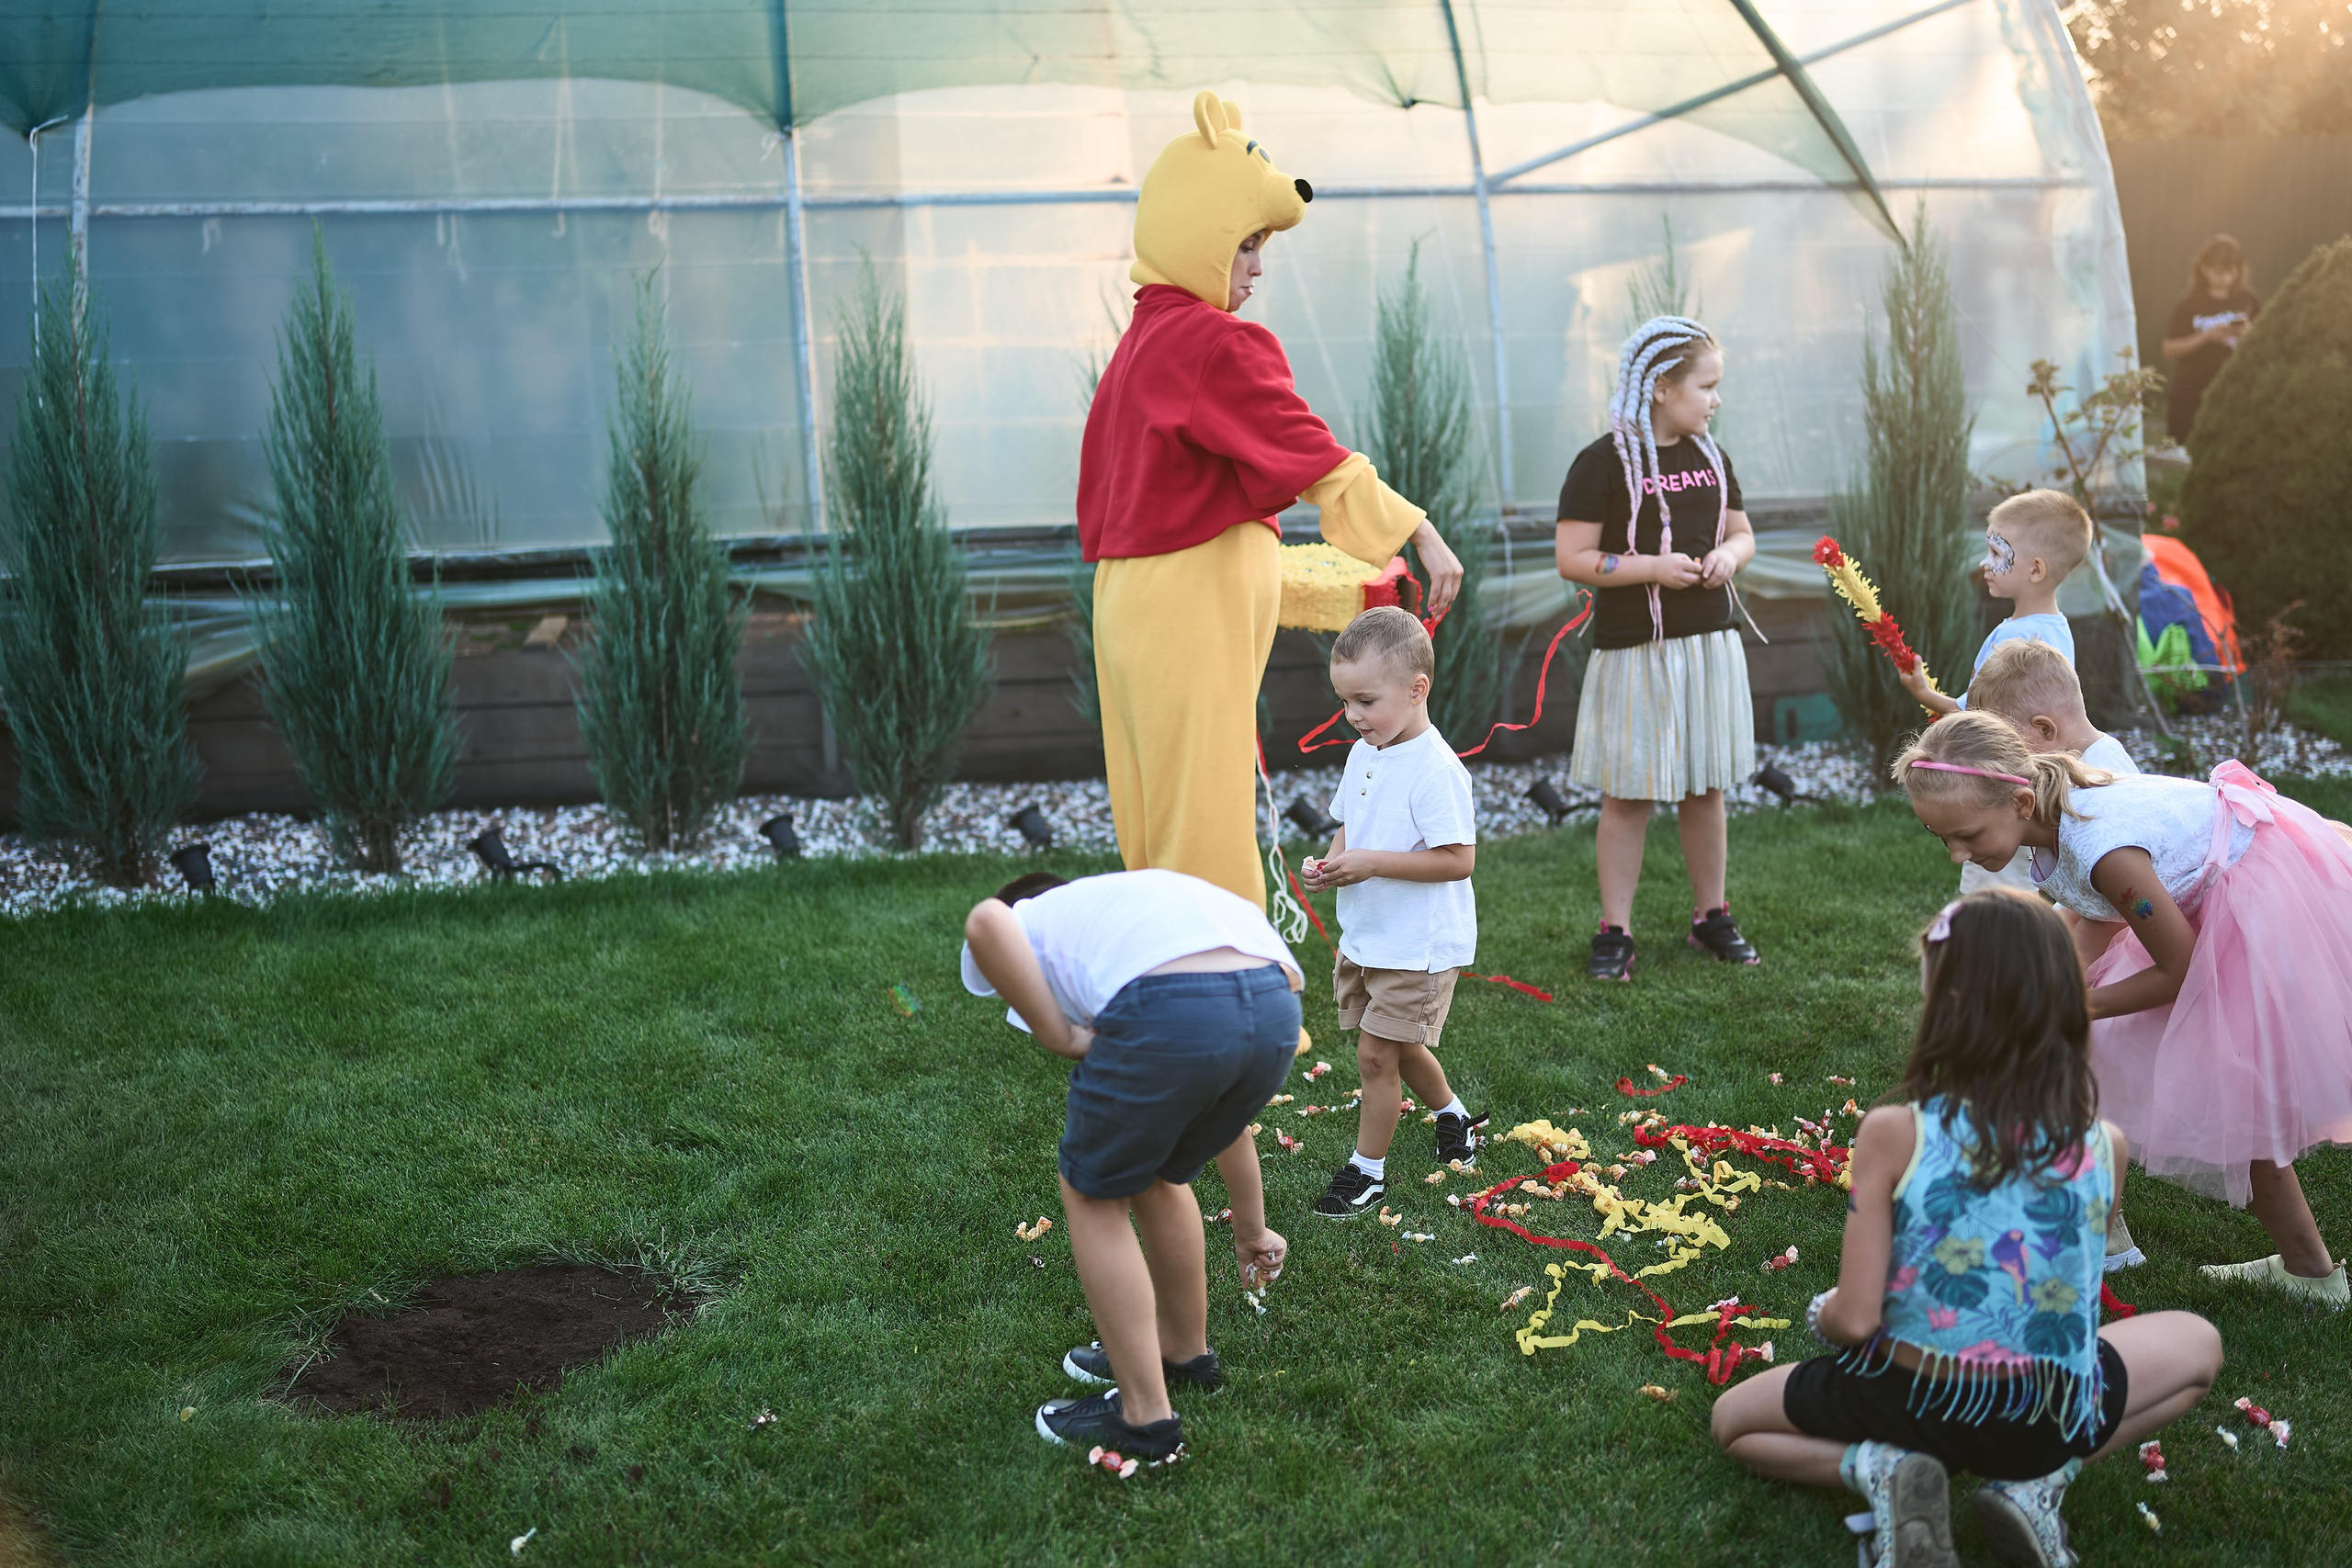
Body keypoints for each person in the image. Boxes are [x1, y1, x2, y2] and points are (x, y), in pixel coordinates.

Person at [1711, 890, 2223, 1568]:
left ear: (1944, 1009)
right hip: (2045, 1412)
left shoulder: (1895, 1133)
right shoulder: (2106, 1144)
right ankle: (2037, 1482)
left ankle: (1887, 1467)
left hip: (1910, 1400)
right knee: (2199, 1346)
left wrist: (1824, 1314)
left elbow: (1858, 1319)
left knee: (1735, 1423)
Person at [1079, 90, 1460, 908]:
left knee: (1157, 808)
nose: (1258, 265)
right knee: (1204, 806)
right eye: (1246, 243)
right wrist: (1417, 529)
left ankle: (1164, 980)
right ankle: (1232, 994)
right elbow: (1307, 448)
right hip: (1181, 604)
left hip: (1135, 600)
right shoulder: (1212, 341)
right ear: (1200, 235)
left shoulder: (1144, 340)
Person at [1895, 713, 2352, 1310]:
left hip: (2253, 917)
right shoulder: (2054, 823)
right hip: (2194, 913)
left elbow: (2181, 969)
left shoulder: (2103, 849)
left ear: (2021, 800)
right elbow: (2092, 912)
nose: (1958, 853)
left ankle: (2313, 1274)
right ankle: (2300, 1265)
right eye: (1942, 838)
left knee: (2241, 1099)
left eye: (1969, 835)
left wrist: (2078, 1004)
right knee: (2116, 1054)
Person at [960, 867, 1300, 1465]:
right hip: (1274, 1007)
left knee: (1091, 1192)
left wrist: (1060, 1035)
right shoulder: (1132, 911)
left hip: (1168, 1009)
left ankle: (1144, 1414)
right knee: (1160, 1174)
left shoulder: (1027, 917)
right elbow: (1232, 1126)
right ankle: (1183, 1351)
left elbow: (985, 921)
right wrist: (1250, 1226)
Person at [1554, 316, 1759, 982]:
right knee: (1629, 794)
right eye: (1707, 386)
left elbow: (1742, 533)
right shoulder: (1601, 463)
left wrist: (1729, 555)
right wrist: (1653, 567)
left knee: (1706, 788)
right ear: (1663, 386)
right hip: (1636, 651)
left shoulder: (1710, 455)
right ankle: (1615, 929)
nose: (1715, 400)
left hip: (1708, 647)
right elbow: (1572, 557)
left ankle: (1711, 915)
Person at [1294, 607, 1487, 1218]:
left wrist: (1371, 862)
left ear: (1416, 689)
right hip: (1368, 933)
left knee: (1376, 1054)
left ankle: (1367, 1171)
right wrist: (1330, 864)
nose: (1353, 715)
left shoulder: (1436, 770)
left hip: (1418, 944)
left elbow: (1458, 859)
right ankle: (1456, 1118)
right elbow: (1352, 825)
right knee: (1397, 1048)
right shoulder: (1365, 752)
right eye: (1345, 700)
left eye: (1365, 700)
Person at [1898, 489, 2098, 894]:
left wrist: (1926, 696)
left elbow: (1980, 720)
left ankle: (1990, 946)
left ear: (2035, 570)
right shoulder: (2048, 628)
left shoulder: (2024, 639)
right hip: (2026, 790)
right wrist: (1926, 694)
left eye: (1995, 552)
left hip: (2005, 793)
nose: (1984, 564)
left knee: (1992, 894)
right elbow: (1979, 709)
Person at [2161, 235, 2259, 446]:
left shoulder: (2249, 302)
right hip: (2190, 396)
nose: (2225, 277)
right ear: (2204, 268)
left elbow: (2264, 346)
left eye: (2231, 270)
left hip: (2233, 396)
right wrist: (2207, 336)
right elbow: (2168, 349)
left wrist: (2247, 333)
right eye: (2218, 270)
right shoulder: (2187, 305)